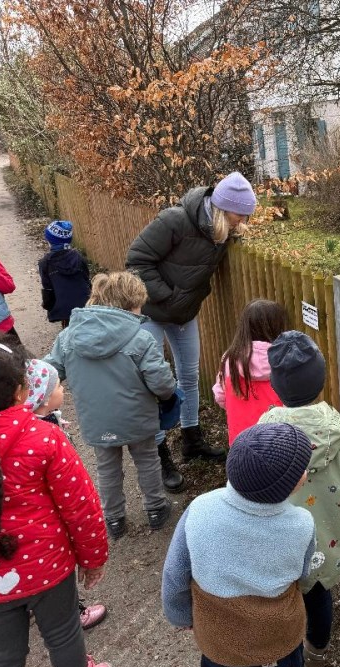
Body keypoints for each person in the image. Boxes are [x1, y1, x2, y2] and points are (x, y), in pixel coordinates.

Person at [0, 339, 111, 667]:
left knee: (1, 660)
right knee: (64, 636)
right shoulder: (46, 439)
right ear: (22, 392)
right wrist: (92, 558)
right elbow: (80, 507)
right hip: (48, 567)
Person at [259, 331, 340, 667]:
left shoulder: (265, 430)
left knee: (279, 601)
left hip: (277, 547)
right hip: (320, 547)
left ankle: (280, 654)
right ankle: (316, 657)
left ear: (276, 386)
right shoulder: (335, 432)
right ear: (321, 382)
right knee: (318, 599)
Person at [126, 171, 257, 492]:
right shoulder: (175, 221)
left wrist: (183, 303)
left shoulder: (220, 233)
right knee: (154, 382)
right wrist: (168, 296)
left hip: (184, 315)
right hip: (154, 312)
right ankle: (159, 453)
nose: (245, 221)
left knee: (188, 375)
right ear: (223, 208)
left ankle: (191, 439)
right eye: (242, 214)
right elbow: (136, 259)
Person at [161, 423, 316, 667]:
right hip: (277, 645)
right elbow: (304, 574)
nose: (306, 471)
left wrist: (180, 616)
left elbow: (175, 573)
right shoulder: (301, 523)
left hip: (218, 645)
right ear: (285, 486)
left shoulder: (200, 509)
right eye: (302, 469)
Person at [45, 271, 180, 539]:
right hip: (137, 417)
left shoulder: (69, 337)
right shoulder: (140, 339)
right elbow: (162, 384)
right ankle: (155, 508)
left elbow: (50, 372)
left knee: (106, 467)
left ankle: (114, 518)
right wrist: (169, 396)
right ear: (130, 305)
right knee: (148, 461)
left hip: (96, 420)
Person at [25, 358, 107, 631]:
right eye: (59, 386)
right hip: (51, 527)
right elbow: (74, 498)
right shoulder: (45, 435)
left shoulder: (38, 422)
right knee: (56, 580)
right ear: (43, 398)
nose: (64, 391)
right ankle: (73, 612)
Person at [213, 299, 287, 445]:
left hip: (240, 442)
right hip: (278, 442)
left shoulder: (229, 359)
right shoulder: (283, 360)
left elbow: (220, 396)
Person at [38, 220, 92, 328]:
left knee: (68, 333)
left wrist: (48, 306)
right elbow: (87, 280)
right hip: (85, 304)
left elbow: (48, 288)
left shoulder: (45, 262)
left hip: (63, 308)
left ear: (50, 241)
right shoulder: (79, 257)